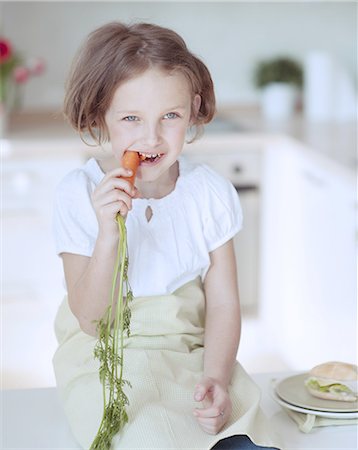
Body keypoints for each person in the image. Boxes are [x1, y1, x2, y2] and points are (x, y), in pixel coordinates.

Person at [52, 22, 281, 450]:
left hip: (190, 350)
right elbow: (90, 319)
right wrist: (108, 235)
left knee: (238, 421)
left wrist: (214, 376)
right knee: (141, 432)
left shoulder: (208, 193)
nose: (151, 137)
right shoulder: (79, 194)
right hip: (106, 356)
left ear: (193, 110)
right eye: (131, 118)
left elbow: (224, 303)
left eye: (169, 116)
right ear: (101, 114)